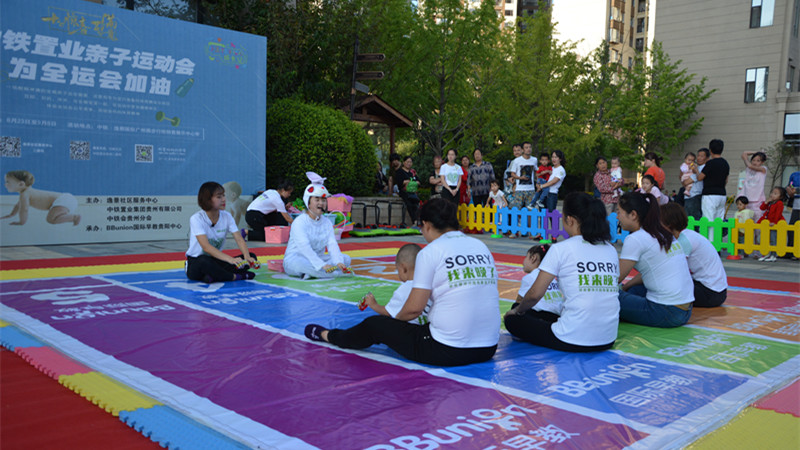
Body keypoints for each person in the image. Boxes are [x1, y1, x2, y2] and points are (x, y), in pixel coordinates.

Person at [304, 198, 500, 367]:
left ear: (427, 225)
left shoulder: (430, 252)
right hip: (488, 347)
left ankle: (329, 335)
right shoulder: (480, 246)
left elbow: (413, 310)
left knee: (375, 325)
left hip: (449, 349)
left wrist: (392, 325)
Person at [504, 193, 619, 352]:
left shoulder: (561, 249)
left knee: (514, 317)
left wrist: (517, 311)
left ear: (570, 220)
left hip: (572, 338)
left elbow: (534, 294)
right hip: (608, 338)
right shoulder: (610, 250)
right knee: (542, 312)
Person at [617, 191, 694, 328]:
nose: (617, 217)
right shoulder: (661, 233)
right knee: (632, 289)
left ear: (633, 214)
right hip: (684, 311)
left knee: (605, 295)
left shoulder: (635, 238)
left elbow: (614, 278)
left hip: (665, 312)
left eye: (619, 212)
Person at [185, 181, 258, 283]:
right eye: (219, 197)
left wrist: (247, 256)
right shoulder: (197, 218)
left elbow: (239, 238)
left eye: (223, 195)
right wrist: (231, 260)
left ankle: (213, 276)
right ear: (207, 200)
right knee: (204, 261)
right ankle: (234, 277)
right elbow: (206, 247)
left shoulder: (227, 216)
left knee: (252, 256)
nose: (224, 199)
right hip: (196, 263)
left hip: (216, 260)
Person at [283, 172, 352, 279]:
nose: (321, 203)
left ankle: (314, 273)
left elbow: (332, 244)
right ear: (308, 202)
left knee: (346, 259)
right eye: (317, 200)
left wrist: (338, 262)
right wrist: (321, 265)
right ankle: (334, 274)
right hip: (297, 259)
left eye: (323, 200)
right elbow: (304, 247)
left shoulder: (327, 222)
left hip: (319, 258)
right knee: (301, 265)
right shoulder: (299, 222)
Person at [661, 203, 728, 308]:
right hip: (716, 290)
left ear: (668, 224)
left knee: (661, 287)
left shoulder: (684, 240)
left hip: (710, 293)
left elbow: (671, 270)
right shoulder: (687, 235)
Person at [360, 243, 432, 325]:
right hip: (430, 326)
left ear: (404, 268)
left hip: (412, 328)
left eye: (398, 270)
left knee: (373, 322)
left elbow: (388, 312)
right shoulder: (432, 282)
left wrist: (373, 304)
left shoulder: (404, 289)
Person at [2, 170, 80, 226]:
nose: (5, 184)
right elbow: (18, 205)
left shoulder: (25, 194)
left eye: (8, 182)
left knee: (51, 219)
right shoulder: (27, 193)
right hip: (65, 199)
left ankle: (74, 217)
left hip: (61, 201)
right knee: (54, 215)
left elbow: (24, 209)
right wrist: (11, 214)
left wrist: (22, 222)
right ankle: (66, 215)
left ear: (21, 184)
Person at [694, 139, 730, 239]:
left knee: (708, 220)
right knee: (719, 220)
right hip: (722, 194)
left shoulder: (710, 163)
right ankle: (717, 243)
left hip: (710, 194)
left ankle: (709, 243)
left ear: (710, 150)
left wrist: (696, 171)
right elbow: (726, 180)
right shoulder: (725, 163)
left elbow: (700, 177)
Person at [515, 244, 564, 316]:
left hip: (541, 315)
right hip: (559, 315)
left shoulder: (530, 277)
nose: (524, 261)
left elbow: (519, 301)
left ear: (533, 258)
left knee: (515, 309)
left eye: (526, 257)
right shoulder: (551, 277)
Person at [756, 187, 787, 262]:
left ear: (781, 196)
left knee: (773, 239)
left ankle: (773, 255)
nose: (773, 195)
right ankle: (766, 253)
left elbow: (778, 214)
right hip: (767, 223)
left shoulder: (779, 203)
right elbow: (762, 208)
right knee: (763, 238)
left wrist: (775, 222)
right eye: (772, 193)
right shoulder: (770, 202)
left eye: (775, 194)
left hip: (774, 224)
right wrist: (766, 202)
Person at [508, 141, 538, 210]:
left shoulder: (534, 160)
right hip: (519, 189)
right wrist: (520, 178)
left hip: (531, 189)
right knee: (516, 209)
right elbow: (512, 173)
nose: (528, 149)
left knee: (530, 209)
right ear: (522, 150)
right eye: (526, 147)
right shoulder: (517, 160)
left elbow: (536, 171)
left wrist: (538, 182)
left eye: (530, 147)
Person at [737, 150, 767, 215]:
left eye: (758, 161)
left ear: (762, 162)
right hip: (746, 200)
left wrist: (760, 154)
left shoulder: (763, 169)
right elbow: (744, 153)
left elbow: (750, 166)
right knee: (745, 218)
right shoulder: (748, 169)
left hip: (757, 201)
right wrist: (757, 152)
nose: (755, 162)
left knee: (757, 218)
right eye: (753, 160)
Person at [394, 156, 421, 226]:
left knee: (416, 203)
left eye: (410, 162)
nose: (409, 163)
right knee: (409, 203)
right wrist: (408, 182)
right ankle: (414, 221)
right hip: (404, 191)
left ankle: (417, 220)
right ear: (404, 162)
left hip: (413, 192)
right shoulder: (400, 172)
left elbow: (419, 182)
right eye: (407, 162)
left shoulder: (412, 172)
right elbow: (400, 182)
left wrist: (411, 182)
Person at [683, 148, 708, 219]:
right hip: (691, 196)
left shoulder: (701, 168)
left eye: (702, 156)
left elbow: (686, 182)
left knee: (692, 220)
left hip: (694, 196)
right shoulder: (696, 167)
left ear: (707, 158)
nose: (699, 158)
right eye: (698, 155)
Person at [787, 171, 800, 256]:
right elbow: (790, 185)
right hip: (796, 205)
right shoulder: (795, 175)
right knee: (792, 229)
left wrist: (797, 190)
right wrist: (789, 189)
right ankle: (790, 251)